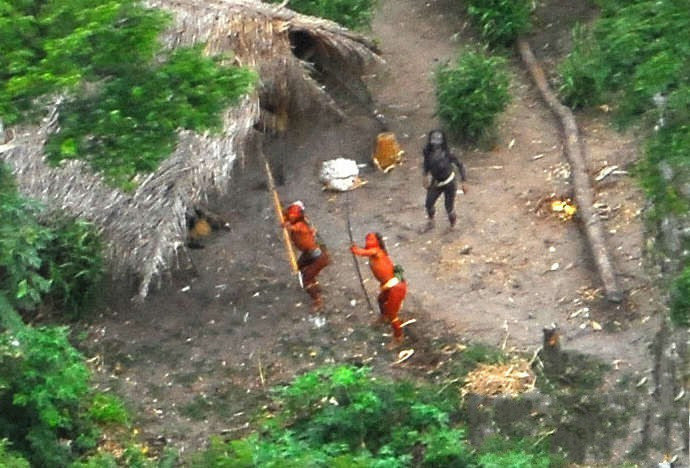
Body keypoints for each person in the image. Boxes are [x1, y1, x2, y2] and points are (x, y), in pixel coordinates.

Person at [350, 232, 408, 348]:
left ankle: (398, 336)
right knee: (381, 300)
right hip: (387, 286)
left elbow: (363, 252)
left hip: (395, 287)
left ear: (377, 242)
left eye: (371, 240)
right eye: (367, 240)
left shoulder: (377, 251)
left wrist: (355, 249)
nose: (368, 242)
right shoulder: (373, 253)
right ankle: (384, 317)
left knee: (392, 314)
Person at [283, 201, 330, 309]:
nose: (291, 215)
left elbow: (294, 228)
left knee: (306, 278)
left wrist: (287, 225)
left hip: (317, 256)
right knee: (300, 267)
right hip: (308, 253)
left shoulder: (302, 224)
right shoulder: (295, 220)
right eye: (290, 213)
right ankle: (315, 285)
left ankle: (317, 300)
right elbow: (286, 217)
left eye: (294, 213)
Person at [421, 129, 467, 232]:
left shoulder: (448, 153)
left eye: (437, 143)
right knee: (429, 203)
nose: (435, 146)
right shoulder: (427, 152)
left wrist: (464, 181)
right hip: (436, 181)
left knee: (449, 207)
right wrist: (424, 176)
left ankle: (452, 226)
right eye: (433, 143)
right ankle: (431, 221)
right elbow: (426, 164)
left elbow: (460, 165)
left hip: (449, 182)